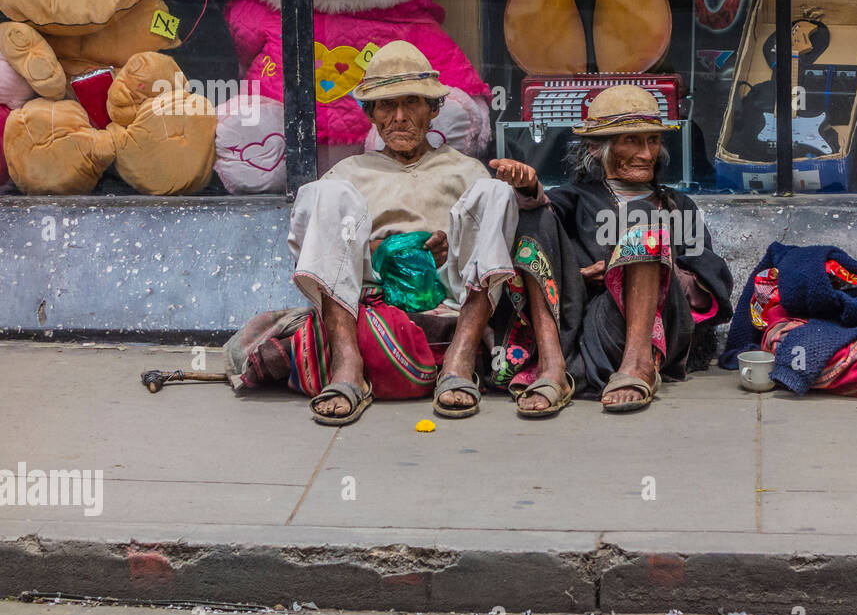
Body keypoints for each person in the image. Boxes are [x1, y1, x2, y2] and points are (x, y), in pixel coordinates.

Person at [229, 40, 572, 424]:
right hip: (372, 291)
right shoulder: (348, 173)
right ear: (372, 115)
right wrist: (377, 251)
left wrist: (515, 195)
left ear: (432, 110)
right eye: (386, 106)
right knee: (322, 193)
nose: (399, 117)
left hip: (453, 288)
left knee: (494, 189)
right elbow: (324, 246)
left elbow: (501, 230)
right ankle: (348, 367)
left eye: (411, 103)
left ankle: (459, 361)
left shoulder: (465, 169)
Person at [543, 86, 733, 411]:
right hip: (595, 325)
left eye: (653, 141)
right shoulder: (569, 201)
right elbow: (540, 250)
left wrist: (655, 267)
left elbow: (707, 276)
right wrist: (577, 278)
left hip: (661, 328)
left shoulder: (675, 206)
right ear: (594, 147)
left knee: (643, 216)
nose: (646, 154)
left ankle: (638, 361)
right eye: (632, 141)